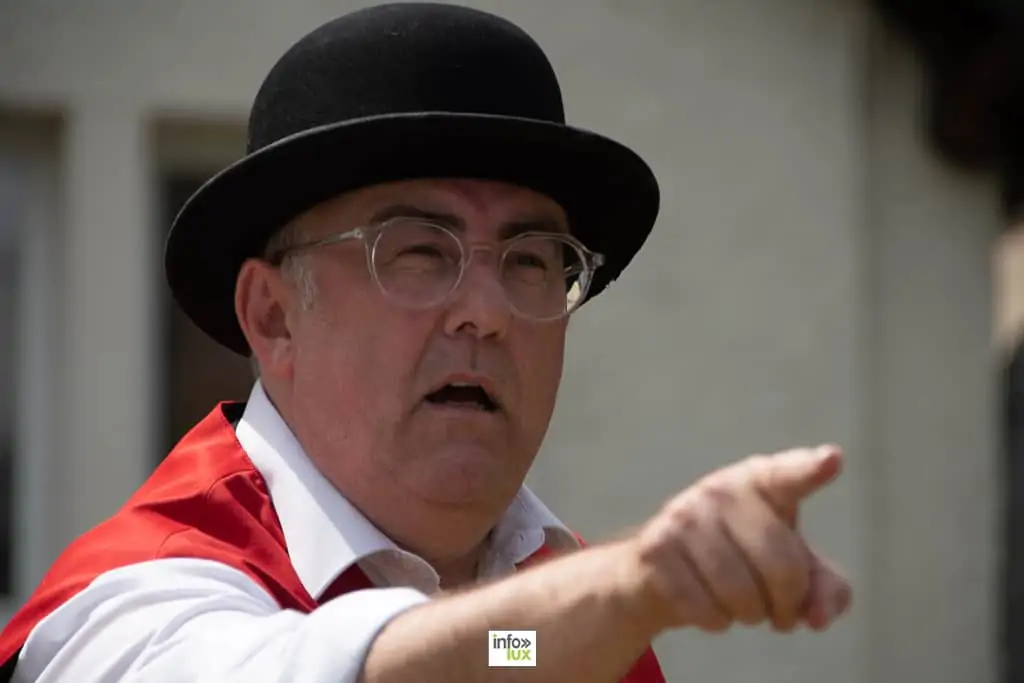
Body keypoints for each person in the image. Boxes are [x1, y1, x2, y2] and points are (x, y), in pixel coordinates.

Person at [0, 4, 851, 682]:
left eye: (530, 259)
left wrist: (606, 603)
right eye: (417, 251)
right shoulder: (131, 604)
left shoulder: (551, 612)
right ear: (274, 315)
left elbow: (504, 655)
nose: (486, 311)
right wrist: (630, 589)